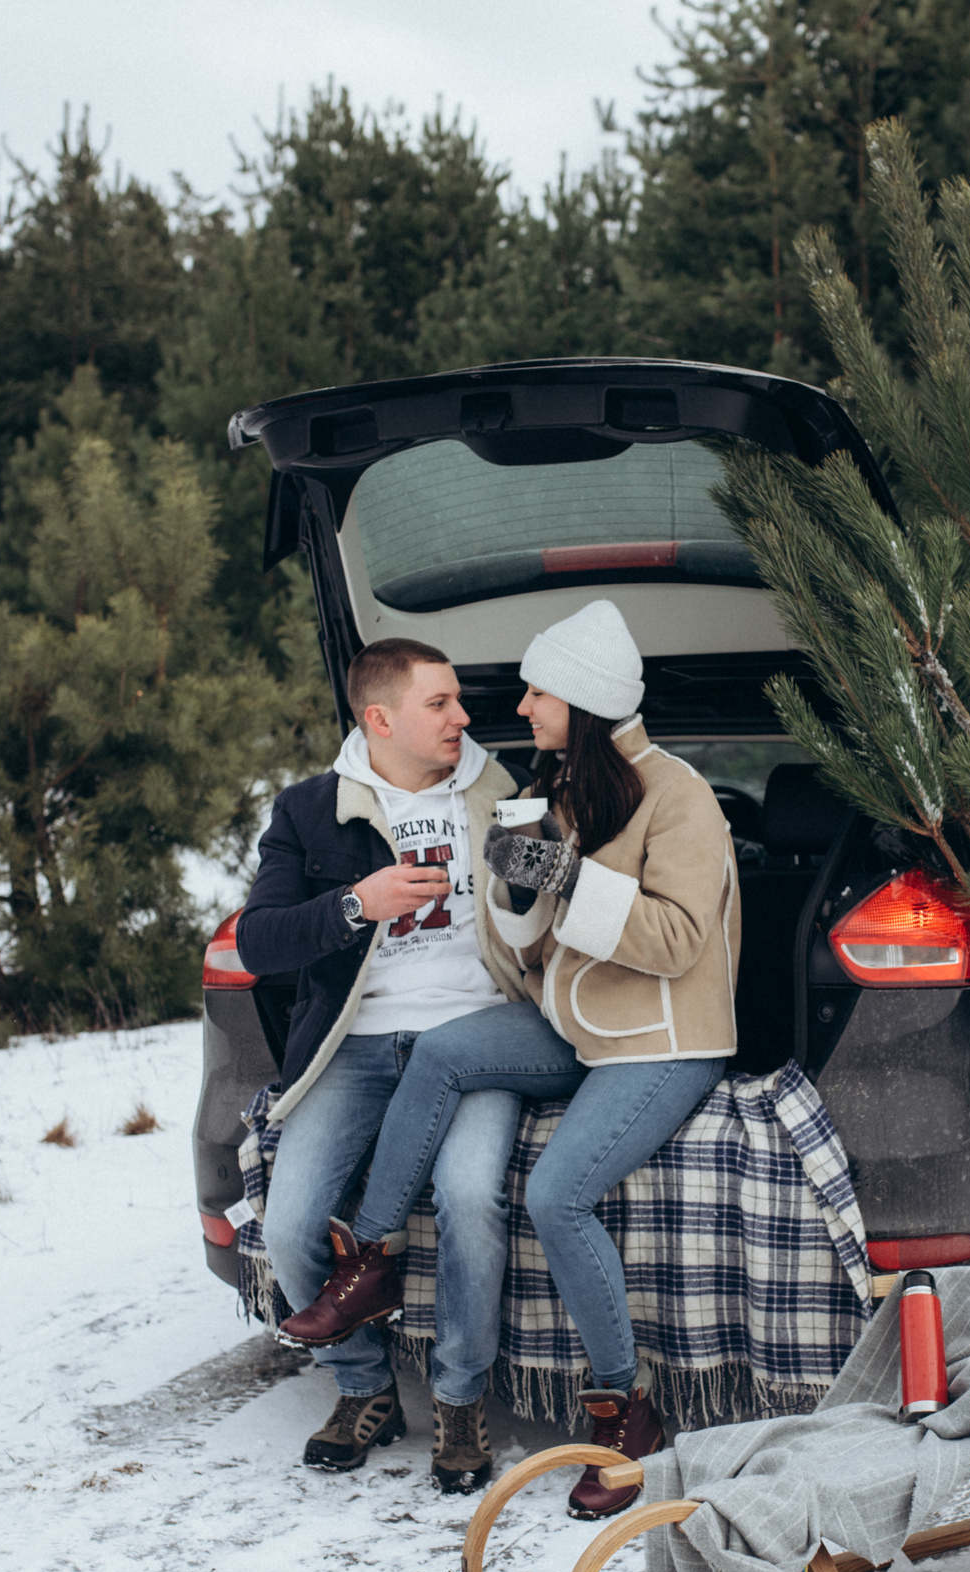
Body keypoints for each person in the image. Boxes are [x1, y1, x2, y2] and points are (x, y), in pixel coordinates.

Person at [282, 599, 741, 1520]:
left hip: (661, 1041)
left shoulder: (679, 795)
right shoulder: (569, 789)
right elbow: (539, 952)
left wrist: (563, 876)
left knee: (553, 1194)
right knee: (446, 1051)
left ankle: (624, 1409)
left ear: (583, 697)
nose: (521, 706)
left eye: (538, 690)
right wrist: (511, 887)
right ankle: (369, 1258)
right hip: (572, 1026)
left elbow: (680, 941)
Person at [233, 637, 531, 1492]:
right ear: (381, 718)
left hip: (474, 1037)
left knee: (472, 1197)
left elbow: (541, 907)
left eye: (458, 700)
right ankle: (365, 1388)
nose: (462, 717)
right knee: (289, 1222)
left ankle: (461, 1398)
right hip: (358, 1045)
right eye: (440, 703)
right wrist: (358, 903)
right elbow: (259, 941)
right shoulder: (309, 810)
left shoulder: (499, 794)